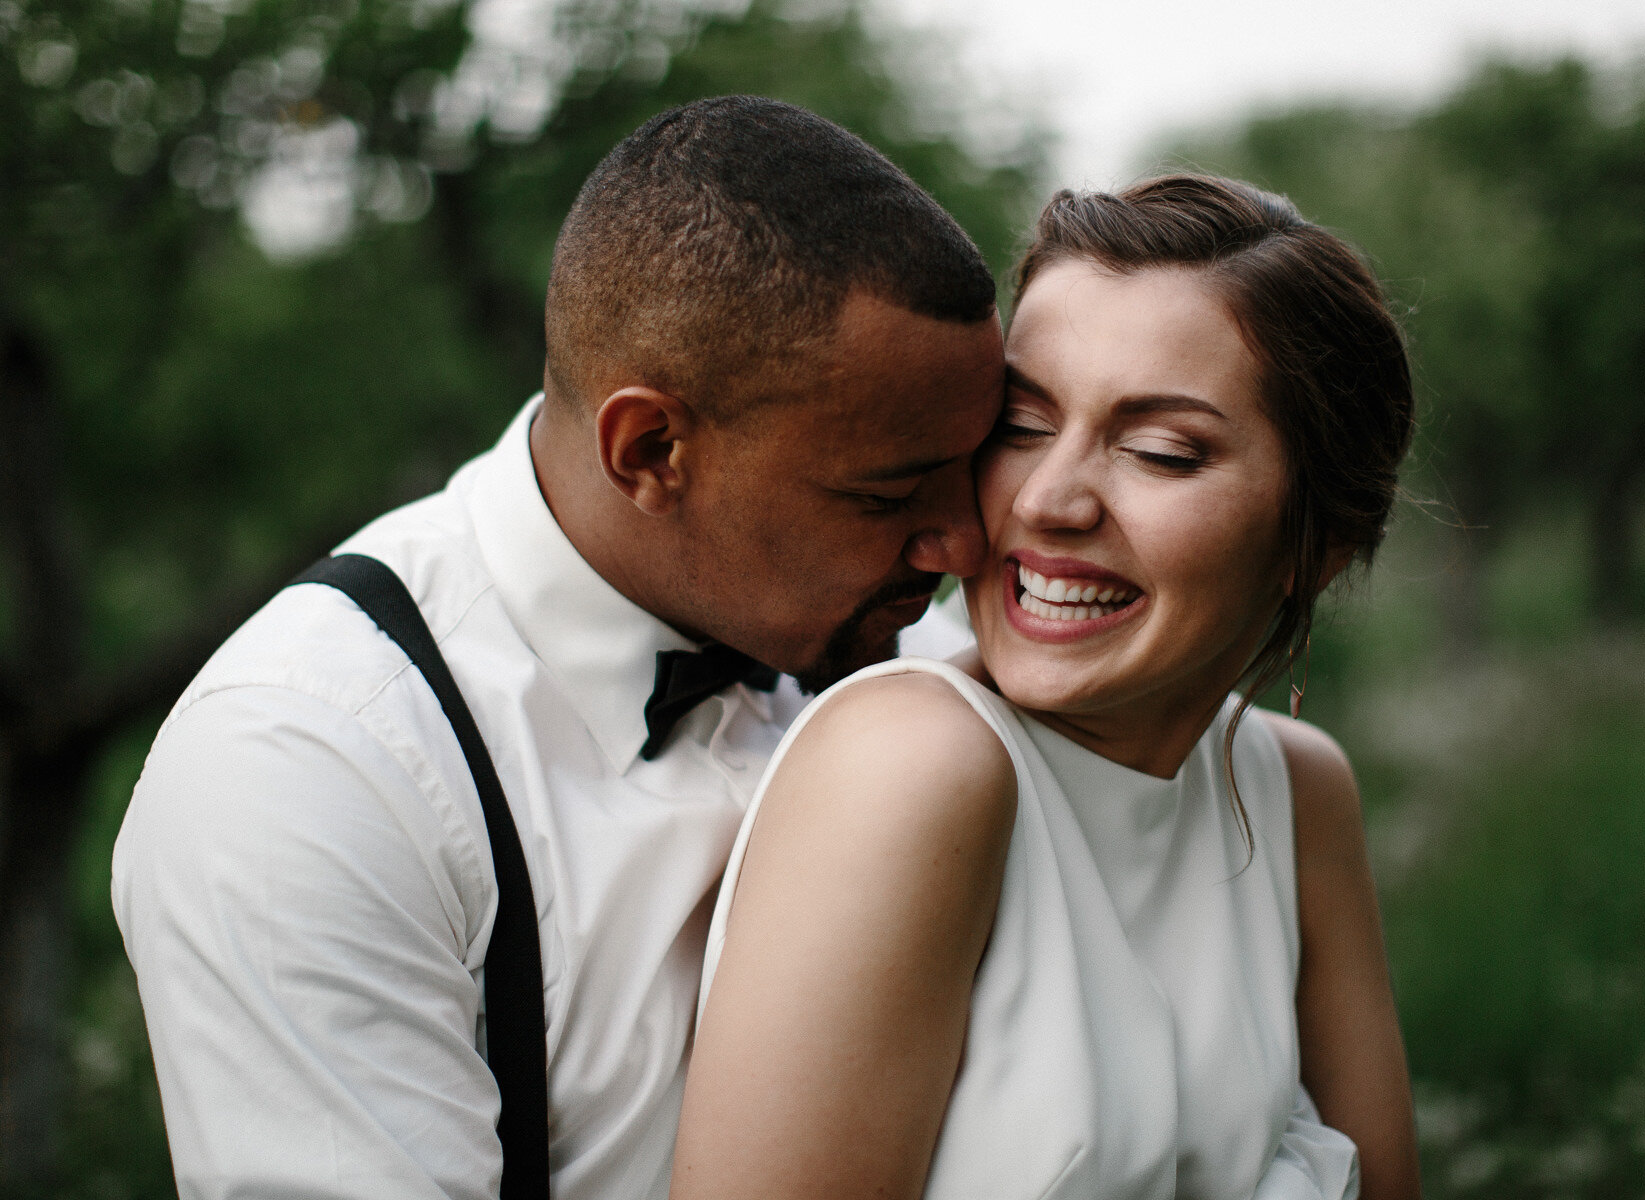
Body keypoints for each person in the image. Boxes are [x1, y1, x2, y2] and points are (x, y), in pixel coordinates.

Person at [111, 96, 1004, 1199]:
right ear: (651, 449)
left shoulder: (933, 659)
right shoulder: (307, 764)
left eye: (976, 468)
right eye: (888, 491)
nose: (965, 540)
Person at [673, 175, 1422, 1200]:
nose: (1050, 498)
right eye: (1022, 425)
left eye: (1161, 451)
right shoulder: (913, 765)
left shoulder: (1297, 786)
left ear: (1317, 542)